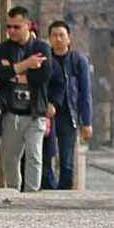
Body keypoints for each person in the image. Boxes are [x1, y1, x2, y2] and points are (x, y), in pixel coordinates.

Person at [0, 6, 50, 192]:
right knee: (10, 158)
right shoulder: (3, 48)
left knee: (34, 155)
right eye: (8, 27)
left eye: (16, 27)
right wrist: (27, 65)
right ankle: (13, 191)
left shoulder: (41, 47)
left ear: (27, 25)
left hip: (35, 112)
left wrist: (14, 71)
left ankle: (32, 194)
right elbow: (0, 73)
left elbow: (43, 76)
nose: (11, 31)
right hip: (12, 112)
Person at [41, 21, 94, 190]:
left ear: (69, 38)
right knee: (46, 156)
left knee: (66, 160)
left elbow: (85, 93)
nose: (58, 39)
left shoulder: (78, 61)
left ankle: (64, 193)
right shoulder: (44, 59)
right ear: (49, 38)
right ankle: (47, 190)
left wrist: (86, 122)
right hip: (47, 113)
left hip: (68, 115)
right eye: (54, 35)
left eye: (61, 35)